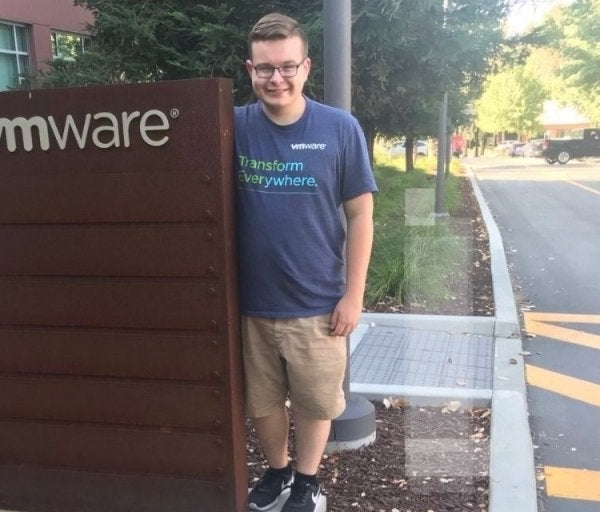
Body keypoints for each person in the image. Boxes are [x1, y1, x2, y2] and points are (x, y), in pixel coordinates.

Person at [234, 12, 377, 512]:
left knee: (316, 403)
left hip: (318, 304)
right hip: (249, 304)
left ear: (306, 67)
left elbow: (361, 215)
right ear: (250, 68)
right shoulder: (231, 127)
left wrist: (353, 296)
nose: (277, 79)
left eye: (287, 67)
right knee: (263, 405)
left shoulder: (339, 129)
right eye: (265, 68)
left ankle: (308, 481)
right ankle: (276, 472)